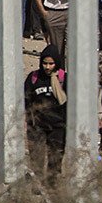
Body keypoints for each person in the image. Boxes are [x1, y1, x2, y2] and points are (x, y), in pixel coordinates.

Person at [25, 44, 67, 178]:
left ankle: (52, 188)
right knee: (36, 158)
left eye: (51, 63)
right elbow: (26, 99)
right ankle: (37, 186)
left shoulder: (63, 78)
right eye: (45, 63)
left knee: (55, 160)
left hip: (58, 126)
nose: (47, 67)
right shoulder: (34, 78)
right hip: (37, 125)